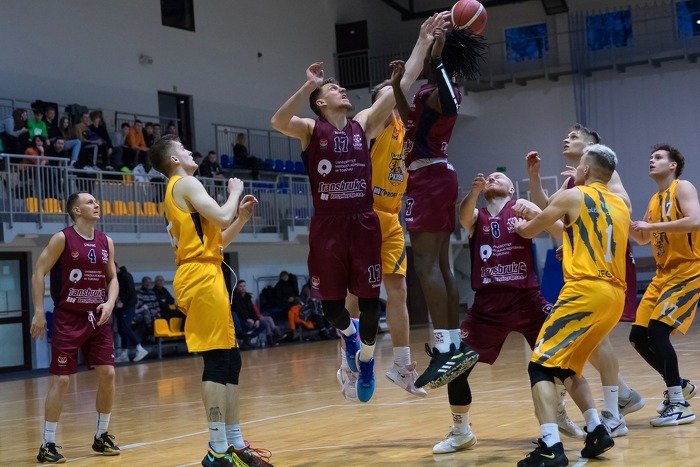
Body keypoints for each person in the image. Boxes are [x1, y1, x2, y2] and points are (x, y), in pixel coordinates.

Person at [271, 13, 450, 403]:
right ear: (321, 102)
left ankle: (390, 364)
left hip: (373, 219)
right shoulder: (323, 127)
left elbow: (407, 81)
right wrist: (309, 85)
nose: (341, 89)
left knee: (386, 293)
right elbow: (279, 120)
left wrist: (422, 41)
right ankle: (349, 359)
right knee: (340, 304)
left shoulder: (375, 125)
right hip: (334, 221)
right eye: (333, 88)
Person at [526, 124, 662, 437]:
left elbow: (621, 210)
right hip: (588, 263)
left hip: (607, 261)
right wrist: (534, 177)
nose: (566, 139)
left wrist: (577, 235)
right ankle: (622, 395)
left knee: (597, 339)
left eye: (574, 136)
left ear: (591, 146)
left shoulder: (606, 176)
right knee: (589, 339)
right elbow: (549, 208)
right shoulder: (576, 182)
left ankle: (613, 409)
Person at [148, 135, 271, 467]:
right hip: (200, 277)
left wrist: (241, 217)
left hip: (207, 271)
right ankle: (217, 450)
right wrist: (234, 192)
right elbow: (220, 217)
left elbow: (217, 242)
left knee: (231, 360)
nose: (190, 151)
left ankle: (234, 443)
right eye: (183, 149)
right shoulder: (185, 183)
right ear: (174, 160)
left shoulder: (178, 190)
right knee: (217, 360)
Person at [514, 144, 629, 466]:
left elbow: (530, 230)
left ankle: (550, 445)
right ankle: (596, 430)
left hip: (584, 291)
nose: (576, 169)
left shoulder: (574, 195)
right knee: (566, 368)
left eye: (579, 165)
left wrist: (520, 222)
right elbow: (584, 235)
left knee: (540, 365)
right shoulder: (620, 205)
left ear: (587, 169)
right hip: (614, 296)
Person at [339, 50, 445, 400]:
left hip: (391, 217)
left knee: (398, 290)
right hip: (364, 214)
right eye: (389, 97)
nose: (395, 101)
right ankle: (347, 365)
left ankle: (401, 365)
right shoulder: (373, 124)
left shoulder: (406, 130)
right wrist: (401, 79)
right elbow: (387, 102)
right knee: (355, 294)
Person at [431, 171, 561, 454]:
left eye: (499, 177)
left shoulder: (522, 209)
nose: (492, 178)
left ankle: (560, 413)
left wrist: (535, 212)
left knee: (560, 358)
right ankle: (461, 432)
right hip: (487, 306)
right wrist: (473, 192)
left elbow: (558, 230)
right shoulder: (477, 215)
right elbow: (463, 218)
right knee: (455, 366)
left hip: (526, 299)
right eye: (489, 177)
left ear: (512, 189)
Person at [392, 25, 486, 390]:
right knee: (441, 264)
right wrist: (398, 86)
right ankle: (454, 344)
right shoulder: (427, 90)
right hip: (433, 177)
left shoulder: (448, 89)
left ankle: (446, 348)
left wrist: (436, 59)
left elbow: (450, 103)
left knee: (426, 264)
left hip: (430, 177)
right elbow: (411, 122)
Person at [30, 192, 121, 463]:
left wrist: (110, 303)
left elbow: (112, 278)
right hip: (68, 317)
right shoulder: (62, 239)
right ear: (76, 210)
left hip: (97, 318)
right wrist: (39, 311)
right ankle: (47, 444)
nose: (97, 204)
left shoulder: (106, 241)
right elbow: (38, 272)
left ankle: (101, 436)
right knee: (61, 380)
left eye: (96, 201)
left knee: (108, 373)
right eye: (90, 202)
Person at [628, 144, 700, 426]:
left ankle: (679, 404)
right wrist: (627, 223)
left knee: (658, 332)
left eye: (658, 157)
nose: (651, 160)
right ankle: (678, 385)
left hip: (687, 271)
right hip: (662, 276)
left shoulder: (683, 187)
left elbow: (695, 221)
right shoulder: (654, 200)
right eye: (650, 157)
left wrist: (652, 227)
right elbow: (643, 238)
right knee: (638, 337)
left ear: (672, 165)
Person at [114, 263, 148, 362]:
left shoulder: (126, 276)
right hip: (120, 306)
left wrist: (122, 301)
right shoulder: (116, 277)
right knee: (121, 329)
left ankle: (140, 348)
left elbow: (130, 292)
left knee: (125, 327)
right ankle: (124, 353)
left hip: (128, 306)